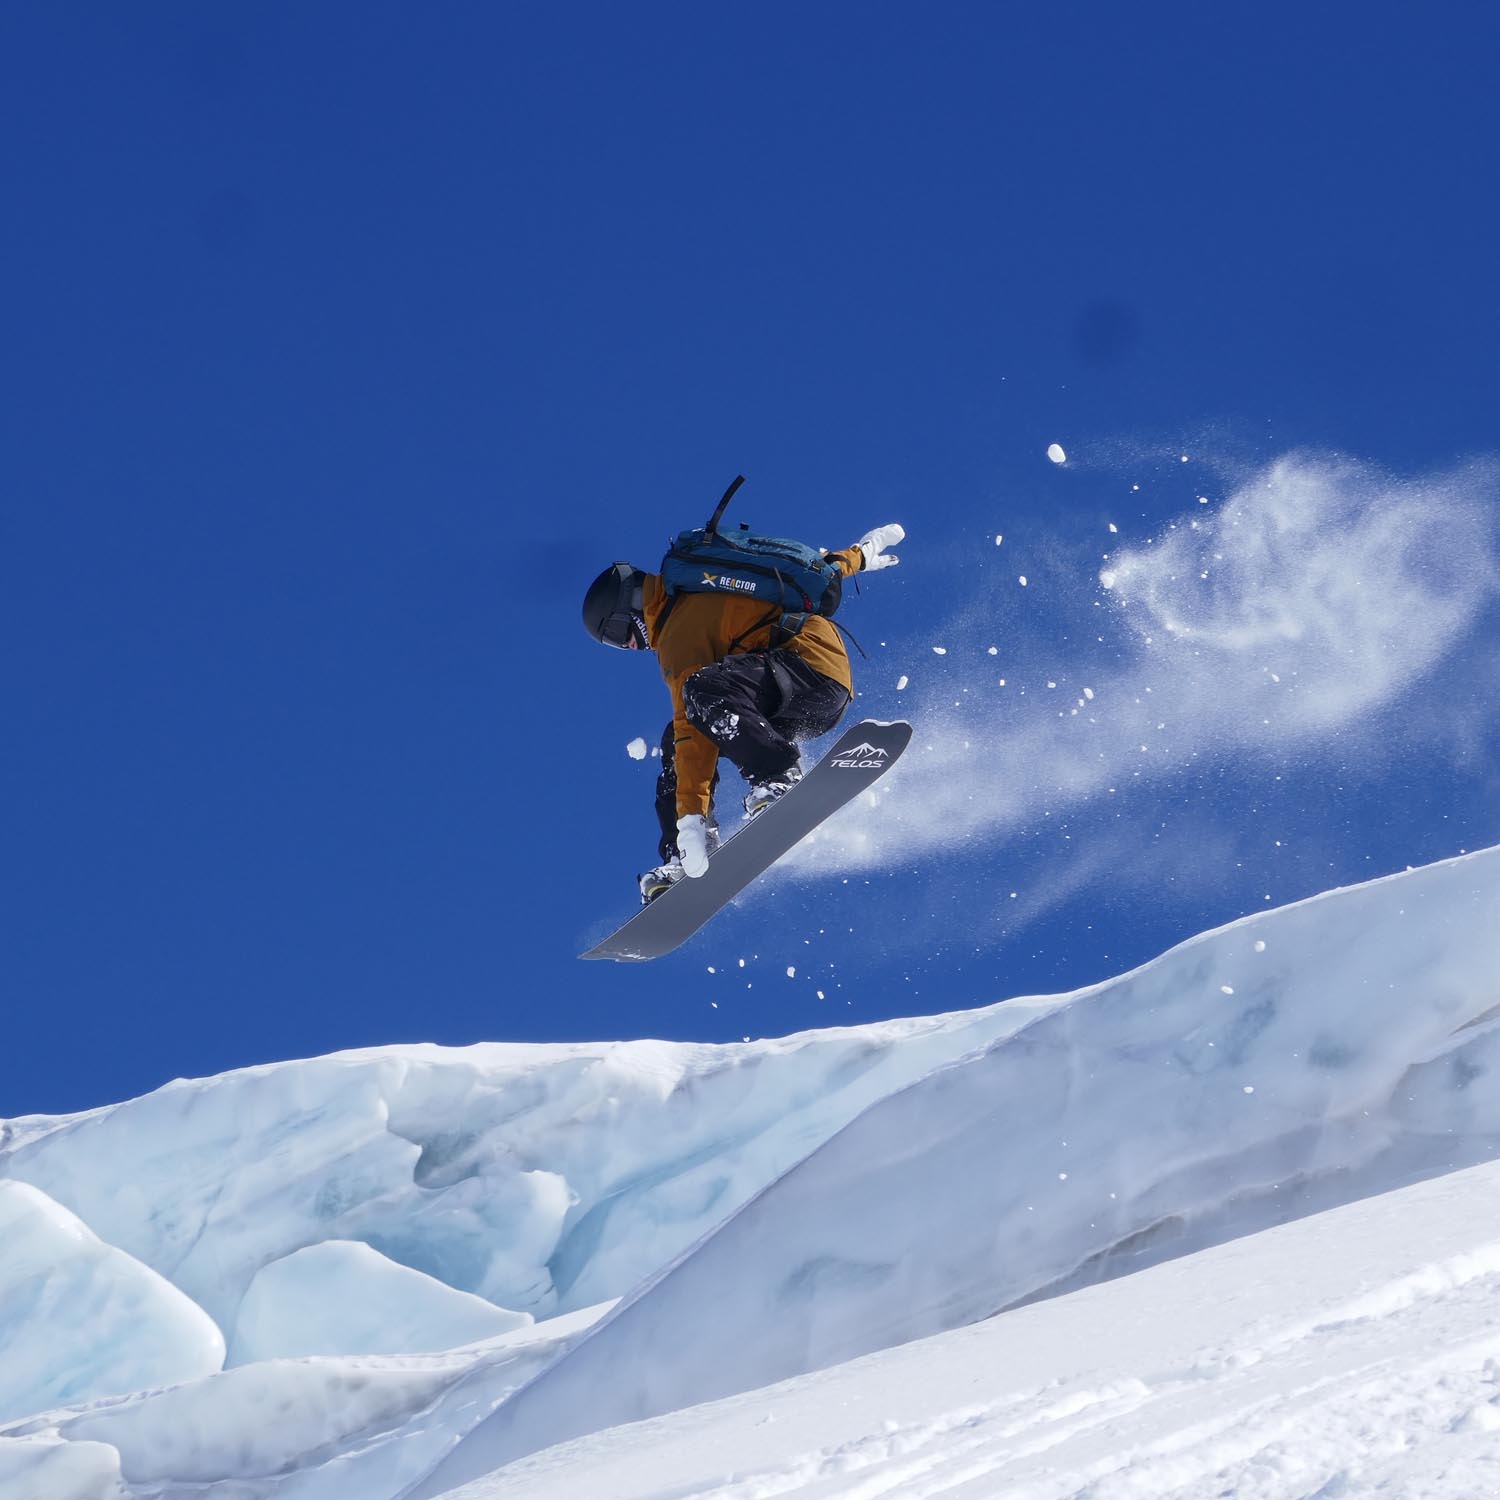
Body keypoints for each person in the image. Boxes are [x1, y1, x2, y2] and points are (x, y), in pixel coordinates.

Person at [583, 523, 905, 902]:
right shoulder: (700, 588)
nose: (632, 646)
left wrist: (691, 817)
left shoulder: (678, 627)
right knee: (681, 728)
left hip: (807, 674)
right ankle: (683, 853)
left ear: (627, 611)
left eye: (621, 636)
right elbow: (813, 569)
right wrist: (859, 556)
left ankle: (776, 776)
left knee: (697, 697)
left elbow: (693, 727)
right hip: (807, 693)